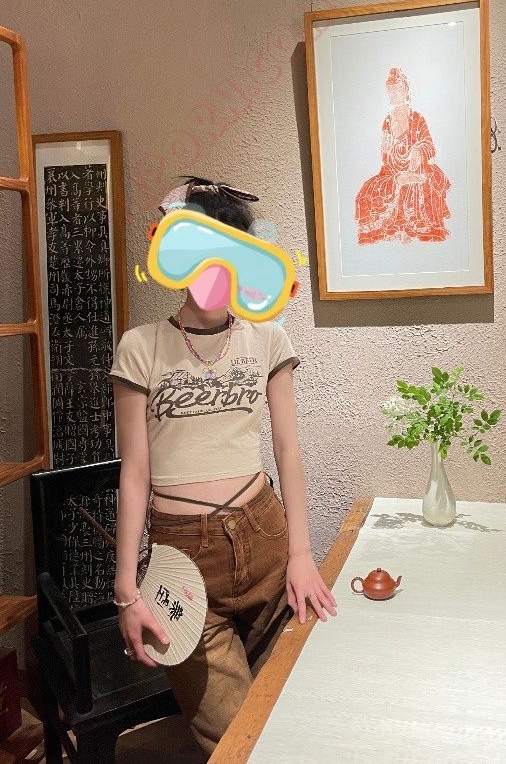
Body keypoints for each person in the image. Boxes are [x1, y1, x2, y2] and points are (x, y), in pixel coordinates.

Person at [108, 176, 337, 756]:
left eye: (231, 255)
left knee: (300, 713)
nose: (216, 271)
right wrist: (126, 589)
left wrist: (302, 555)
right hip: (182, 558)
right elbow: (134, 472)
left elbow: (287, 450)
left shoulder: (268, 339)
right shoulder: (141, 346)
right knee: (235, 743)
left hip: (266, 539)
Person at [355, 65, 452, 244]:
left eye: (398, 89)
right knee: (367, 190)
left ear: (406, 91)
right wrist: (386, 152)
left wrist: (418, 150)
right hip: (393, 173)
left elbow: (430, 146)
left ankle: (413, 220)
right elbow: (386, 164)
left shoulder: (417, 118)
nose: (395, 94)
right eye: (391, 91)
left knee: (420, 182)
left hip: (417, 169)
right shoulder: (387, 121)